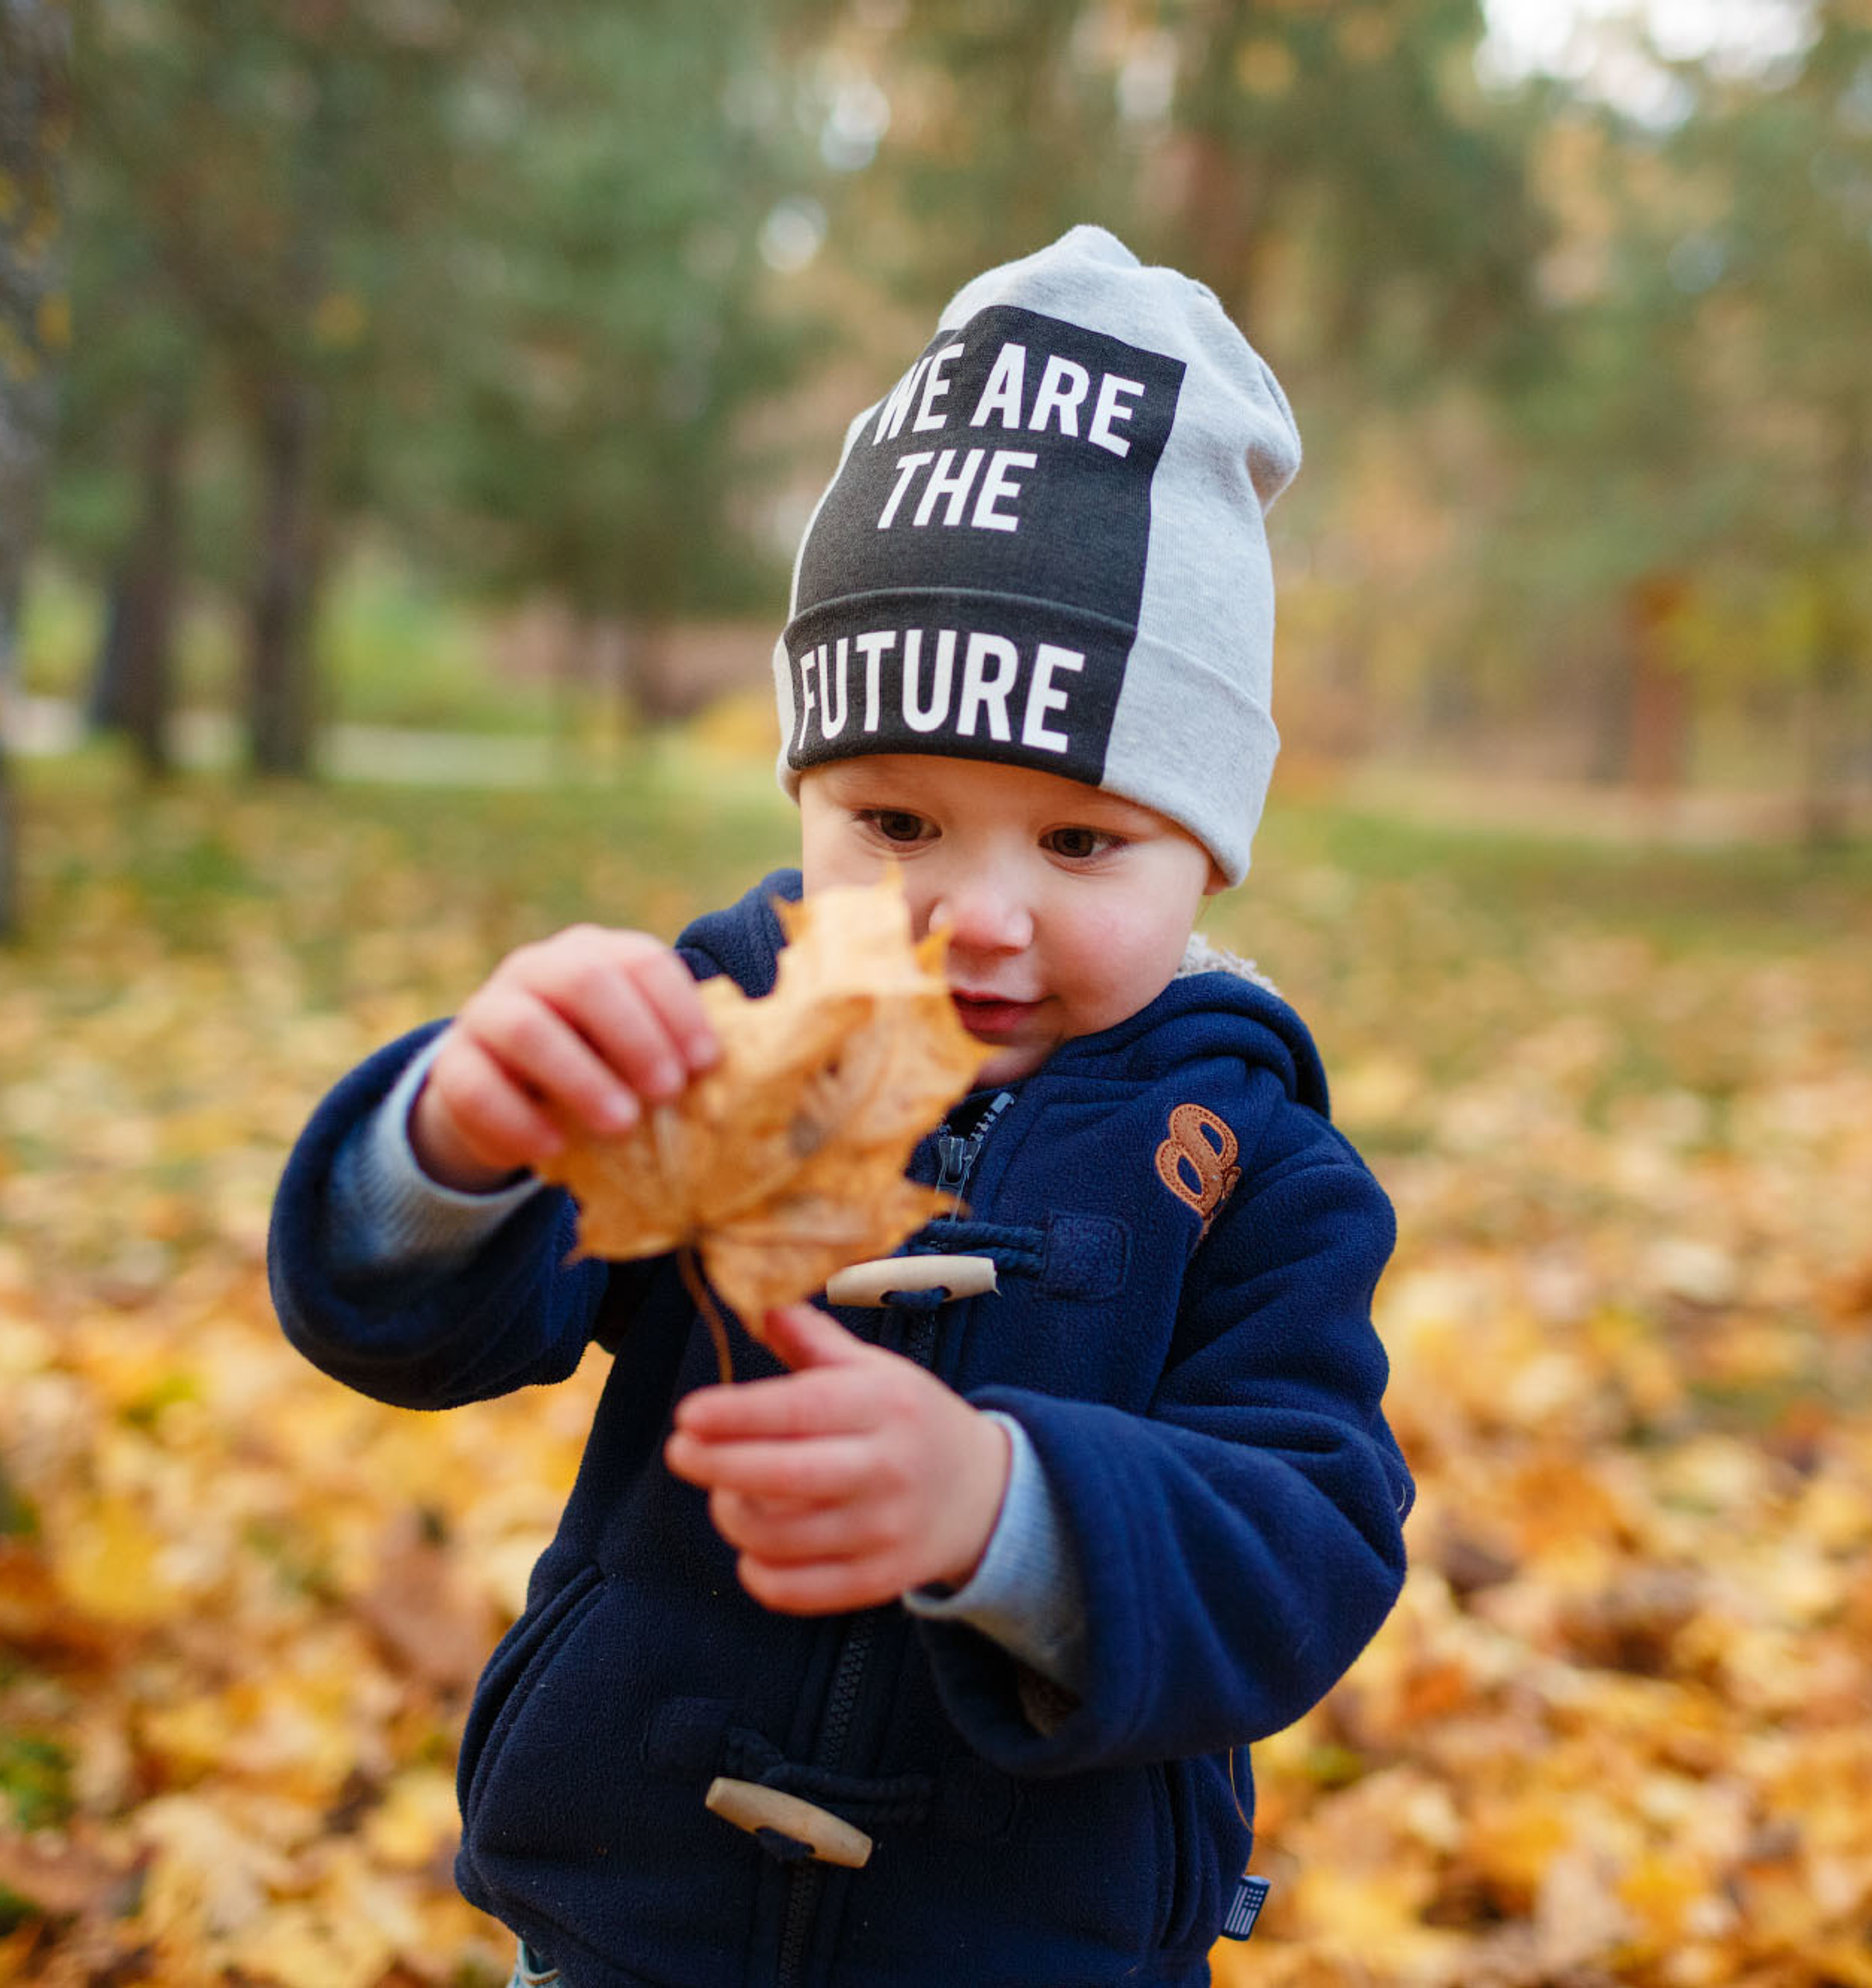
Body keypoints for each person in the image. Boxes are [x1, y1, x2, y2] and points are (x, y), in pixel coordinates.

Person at [268, 225, 1413, 1988]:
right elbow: (419, 1333)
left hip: (1039, 1950)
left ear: (1206, 854)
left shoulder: (1252, 1168)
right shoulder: (717, 1029)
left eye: (1081, 838)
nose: (977, 914)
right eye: (894, 822)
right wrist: (459, 1140)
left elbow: (1307, 1546)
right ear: (805, 792)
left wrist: (1007, 1509)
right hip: (627, 1928)